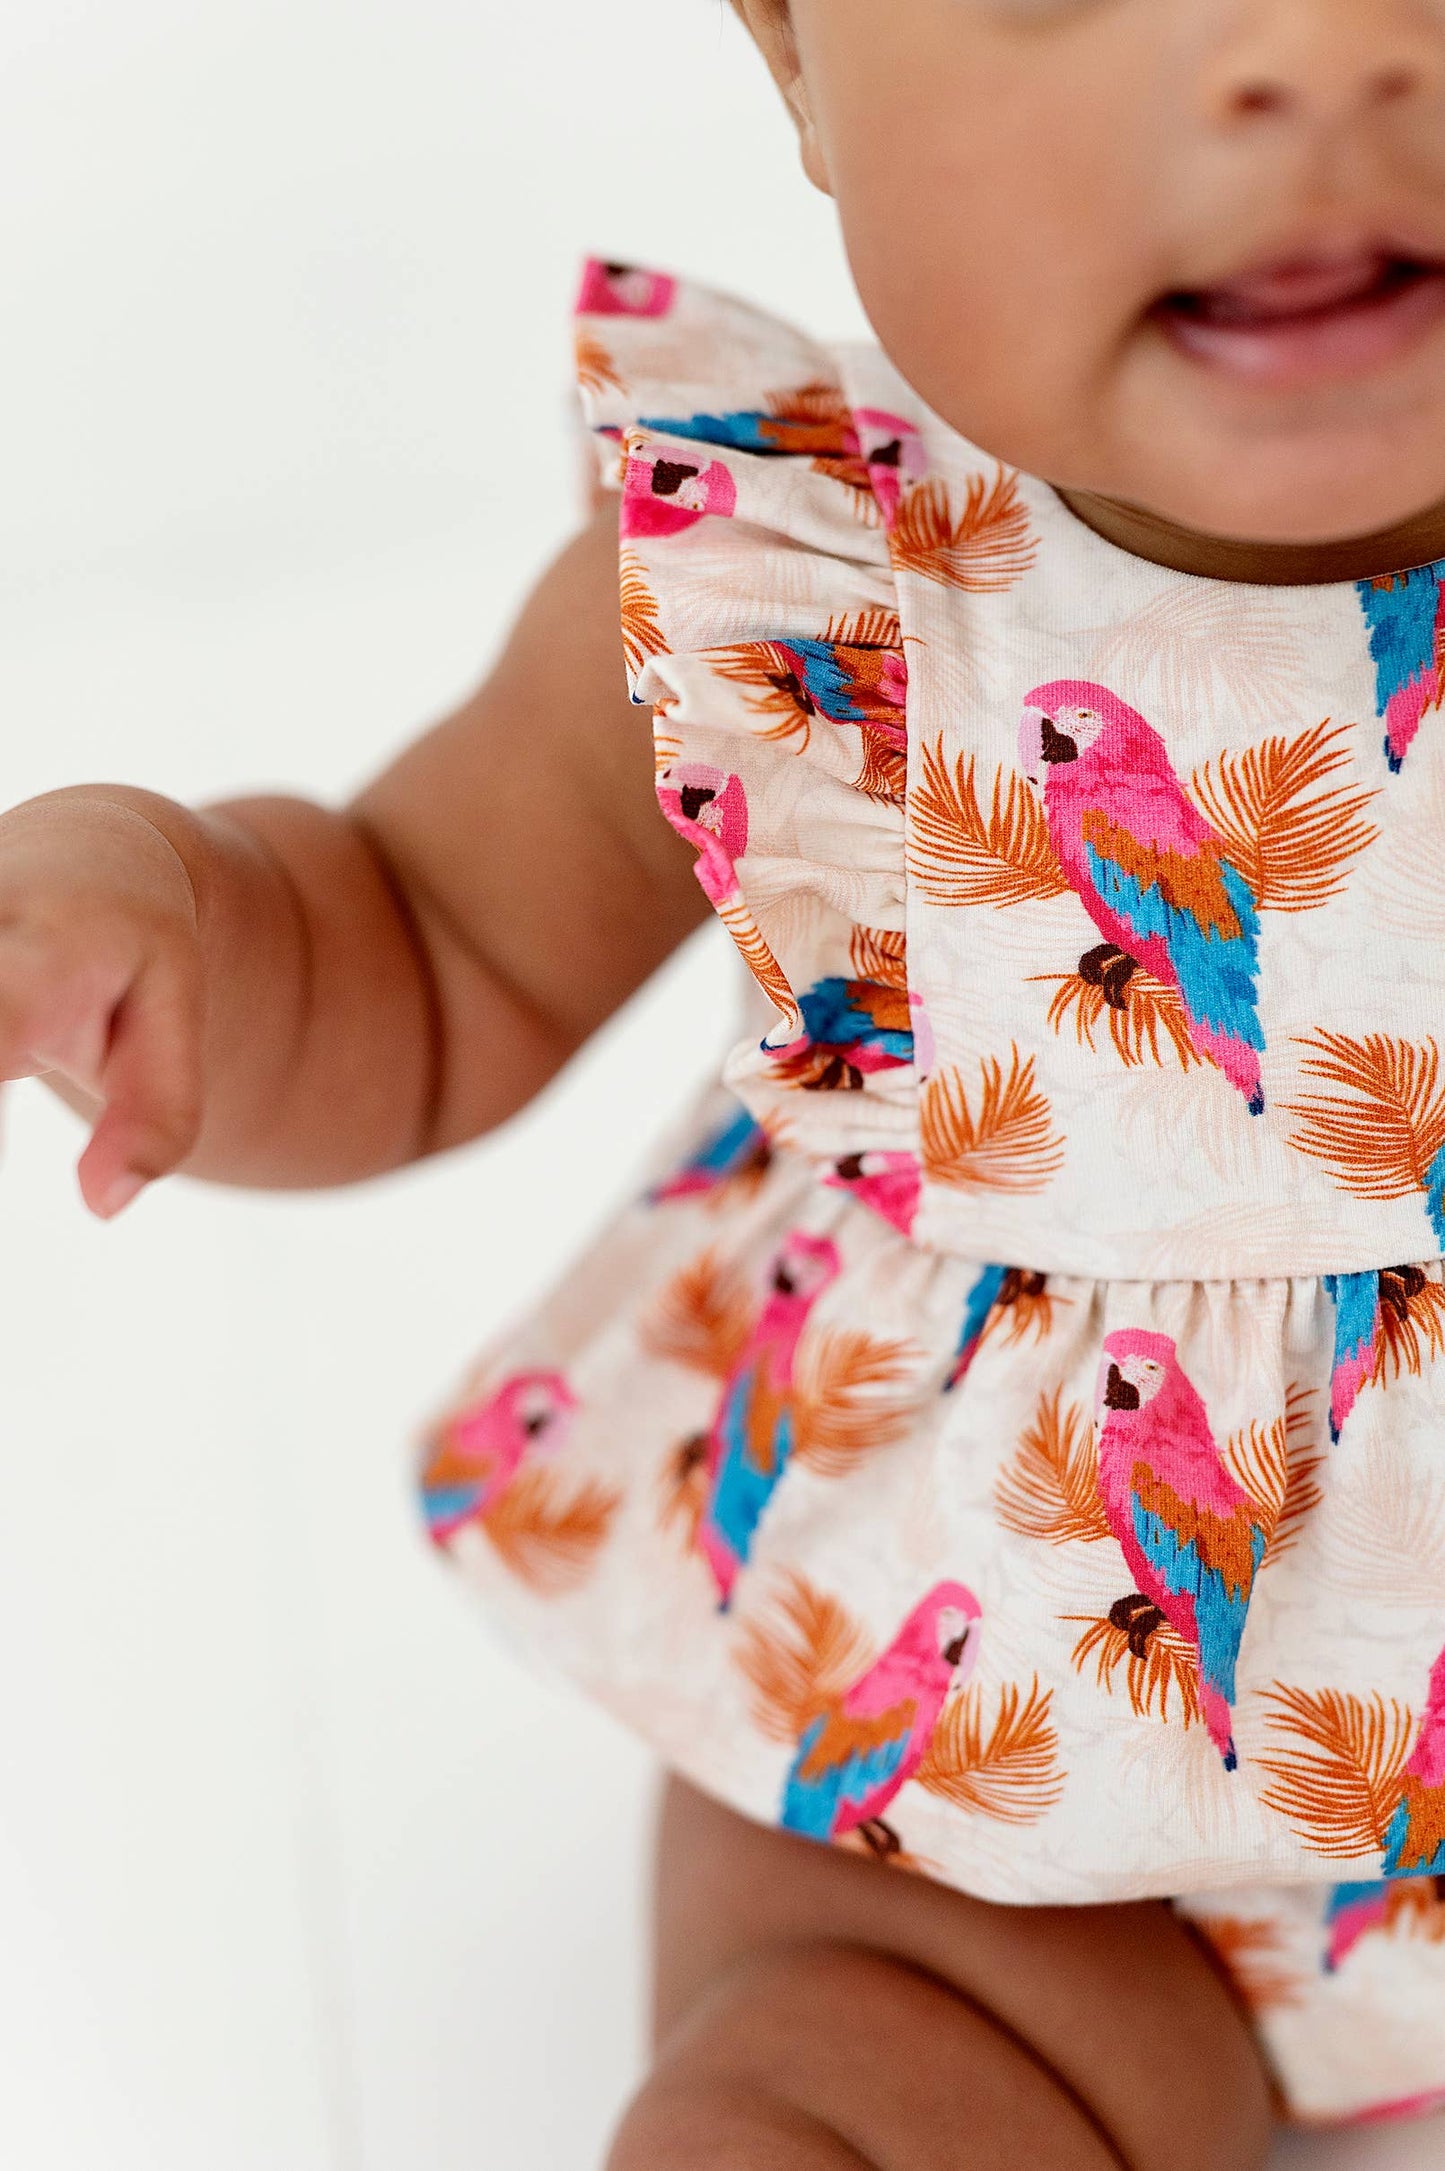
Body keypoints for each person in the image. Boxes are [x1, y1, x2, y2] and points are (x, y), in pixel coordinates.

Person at [10, 1, 1445, 2161]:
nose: (1319, 57)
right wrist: (193, 927)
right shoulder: (803, 586)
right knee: (857, 2071)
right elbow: (429, 934)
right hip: (995, 1791)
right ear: (795, 56)